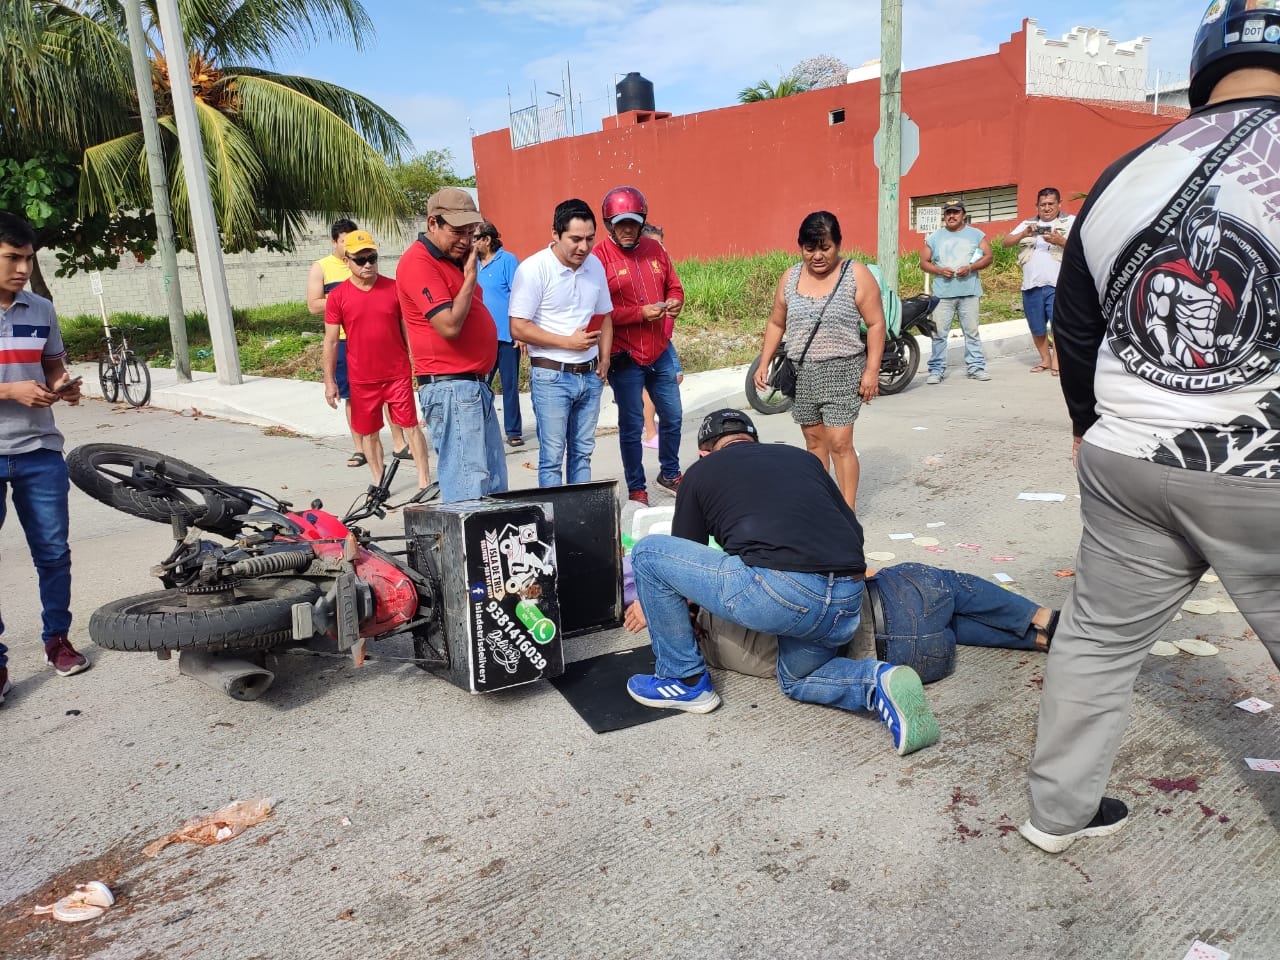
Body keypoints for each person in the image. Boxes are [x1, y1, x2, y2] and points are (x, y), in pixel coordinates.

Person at [1022, 0, 1280, 855]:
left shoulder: (1126, 171)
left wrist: (1091, 426)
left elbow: (1077, 325)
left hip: (1128, 458)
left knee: (1095, 638)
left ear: (1205, 61)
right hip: (1260, 468)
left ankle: (1055, 814)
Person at [625, 408, 940, 757]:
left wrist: (654, 606)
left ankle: (683, 681)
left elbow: (682, 557)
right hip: (847, 599)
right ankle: (876, 682)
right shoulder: (801, 460)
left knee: (649, 554)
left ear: (704, 451)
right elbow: (852, 528)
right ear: (754, 442)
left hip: (782, 595)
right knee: (798, 679)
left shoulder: (699, 473)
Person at [623, 558, 1058, 681]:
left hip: (915, 658)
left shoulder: (717, 655)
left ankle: (1038, 642)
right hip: (896, 606)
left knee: (947, 628)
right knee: (949, 585)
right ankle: (1043, 619)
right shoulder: (737, 592)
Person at [0, 213, 90, 703]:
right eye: (12, 258)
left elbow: (51, 361)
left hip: (40, 451)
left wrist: (62, 385)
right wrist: (10, 390)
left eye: (28, 258)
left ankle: (57, 639)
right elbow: (14, 383)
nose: (22, 268)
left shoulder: (40, 308)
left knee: (53, 553)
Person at [752, 212, 885, 511]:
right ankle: (821, 506)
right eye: (809, 248)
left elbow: (876, 324)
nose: (817, 256)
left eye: (824, 247)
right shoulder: (790, 278)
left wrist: (871, 371)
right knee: (814, 444)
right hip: (802, 373)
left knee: (839, 443)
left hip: (843, 371)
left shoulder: (856, 274)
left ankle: (847, 512)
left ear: (838, 244)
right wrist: (764, 362)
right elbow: (776, 322)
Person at [395, 187, 507, 503]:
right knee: (468, 490)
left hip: (472, 387)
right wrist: (471, 276)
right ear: (433, 223)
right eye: (458, 231)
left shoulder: (451, 260)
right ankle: (468, 553)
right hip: (452, 388)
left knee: (494, 488)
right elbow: (448, 325)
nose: (466, 240)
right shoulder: (419, 262)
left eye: (471, 232)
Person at [509, 199, 614, 487]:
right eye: (575, 239)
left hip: (590, 376)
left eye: (590, 239)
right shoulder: (533, 269)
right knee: (552, 457)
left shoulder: (594, 266)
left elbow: (604, 315)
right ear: (555, 234)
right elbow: (518, 326)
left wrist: (604, 359)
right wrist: (568, 343)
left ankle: (580, 522)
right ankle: (552, 527)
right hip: (552, 376)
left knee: (582, 454)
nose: (584, 247)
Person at [592, 186, 685, 507]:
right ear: (609, 224)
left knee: (672, 416)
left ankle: (670, 473)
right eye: (620, 224)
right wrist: (638, 314)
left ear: (642, 221)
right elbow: (598, 312)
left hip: (660, 351)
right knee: (631, 426)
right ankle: (636, 486)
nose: (628, 229)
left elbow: (674, 285)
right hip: (625, 355)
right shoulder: (598, 258)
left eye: (633, 222)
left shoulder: (656, 250)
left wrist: (675, 301)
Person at [323, 229, 433, 498]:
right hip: (361, 378)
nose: (368, 264)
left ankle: (424, 479)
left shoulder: (394, 288)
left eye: (372, 257)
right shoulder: (337, 297)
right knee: (369, 432)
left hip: (397, 373)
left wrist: (418, 364)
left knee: (410, 426)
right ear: (347, 261)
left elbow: (409, 329)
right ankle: (379, 480)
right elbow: (330, 341)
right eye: (360, 260)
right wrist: (329, 381)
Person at [308, 218, 407, 467]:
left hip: (380, 339)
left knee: (389, 393)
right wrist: (343, 299)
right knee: (354, 397)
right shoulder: (322, 267)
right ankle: (360, 448)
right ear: (335, 243)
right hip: (344, 341)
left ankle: (399, 443)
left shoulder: (370, 264)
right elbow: (313, 305)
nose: (365, 263)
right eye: (343, 242)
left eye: (369, 258)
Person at [1001, 188, 1074, 375]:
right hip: (1031, 285)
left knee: (1059, 325)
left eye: (1051, 204)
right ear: (1037, 206)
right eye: (1043, 204)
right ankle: (1045, 360)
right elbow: (1006, 242)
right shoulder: (1028, 223)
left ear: (1059, 204)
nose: (1047, 208)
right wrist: (1024, 233)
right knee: (1036, 326)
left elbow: (1080, 246)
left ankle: (1058, 362)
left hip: (1059, 285)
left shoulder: (1070, 221)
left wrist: (1060, 240)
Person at [921, 199, 994, 384]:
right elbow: (924, 262)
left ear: (963, 214)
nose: (951, 216)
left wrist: (971, 268)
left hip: (969, 291)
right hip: (942, 294)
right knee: (939, 334)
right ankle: (936, 370)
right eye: (948, 213)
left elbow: (988, 256)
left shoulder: (975, 234)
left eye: (956, 212)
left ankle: (976, 367)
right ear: (944, 216)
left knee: (971, 332)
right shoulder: (935, 237)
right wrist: (939, 270)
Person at [475, 221, 524, 448]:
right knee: (480, 386)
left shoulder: (508, 261)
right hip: (481, 338)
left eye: (475, 237)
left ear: (487, 239)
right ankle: (481, 429)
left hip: (506, 336)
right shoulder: (471, 264)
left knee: (510, 385)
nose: (471, 242)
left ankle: (513, 431)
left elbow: (519, 296)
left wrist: (520, 331)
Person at [636, 224, 684, 450]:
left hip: (664, 339)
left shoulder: (662, 267)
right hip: (650, 341)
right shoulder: (641, 272)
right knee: (651, 386)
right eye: (656, 244)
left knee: (674, 378)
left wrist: (675, 301)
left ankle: (650, 425)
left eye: (662, 243)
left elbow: (675, 290)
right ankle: (650, 431)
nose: (661, 248)